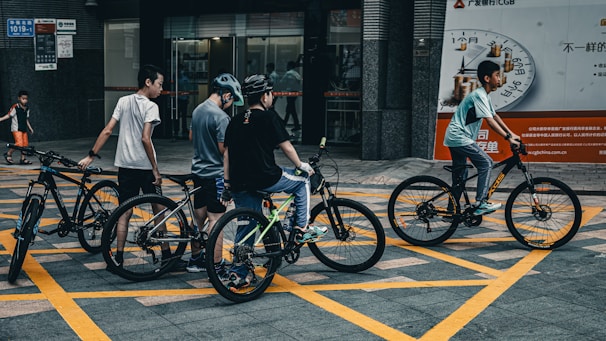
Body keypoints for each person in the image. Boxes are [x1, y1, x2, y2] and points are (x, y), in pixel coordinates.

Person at [220, 74, 327, 289]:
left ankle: (238, 274)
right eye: (270, 93)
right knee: (301, 182)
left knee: (246, 225)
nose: (272, 97)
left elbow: (227, 155)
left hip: (240, 181)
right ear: (264, 96)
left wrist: (227, 184)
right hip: (266, 177)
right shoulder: (269, 117)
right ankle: (301, 228)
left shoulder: (235, 120)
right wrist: (301, 166)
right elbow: (286, 147)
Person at [77, 64, 166, 267]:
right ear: (148, 82)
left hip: (125, 165)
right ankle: (167, 254)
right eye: (159, 84)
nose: (161, 89)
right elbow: (145, 138)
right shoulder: (151, 106)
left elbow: (108, 130)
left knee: (124, 211)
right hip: (144, 166)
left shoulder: (123, 101)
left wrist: (91, 155)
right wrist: (155, 169)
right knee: (159, 209)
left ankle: (117, 257)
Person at [184, 73, 244, 273]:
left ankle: (195, 259)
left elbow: (191, 136)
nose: (231, 103)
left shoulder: (198, 110)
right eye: (232, 98)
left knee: (198, 218)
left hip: (198, 171)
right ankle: (216, 265)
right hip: (216, 174)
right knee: (216, 220)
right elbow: (224, 150)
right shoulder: (220, 117)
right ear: (226, 94)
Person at [443, 60, 520, 216]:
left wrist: (511, 134)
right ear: (487, 78)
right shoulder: (479, 95)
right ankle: (480, 203)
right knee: (486, 162)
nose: (499, 79)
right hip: (459, 137)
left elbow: (494, 116)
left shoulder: (483, 96)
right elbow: (490, 122)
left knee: (460, 177)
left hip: (456, 137)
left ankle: (451, 213)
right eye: (497, 75)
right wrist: (508, 138)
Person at [1, 90, 35, 165]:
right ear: (19, 98)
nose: (25, 100)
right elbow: (9, 115)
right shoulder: (15, 107)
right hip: (16, 128)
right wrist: (1, 119)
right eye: (23, 98)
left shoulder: (27, 108)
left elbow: (26, 119)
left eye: (26, 99)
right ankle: (8, 154)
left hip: (23, 128)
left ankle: (23, 159)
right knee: (19, 143)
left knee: (25, 144)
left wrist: (30, 128)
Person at [280, 60, 302, 131]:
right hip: (295, 92)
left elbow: (282, 82)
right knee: (291, 108)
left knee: (291, 108)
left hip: (289, 92)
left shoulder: (288, 73)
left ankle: (286, 123)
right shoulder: (296, 74)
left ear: (290, 66)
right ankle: (288, 123)